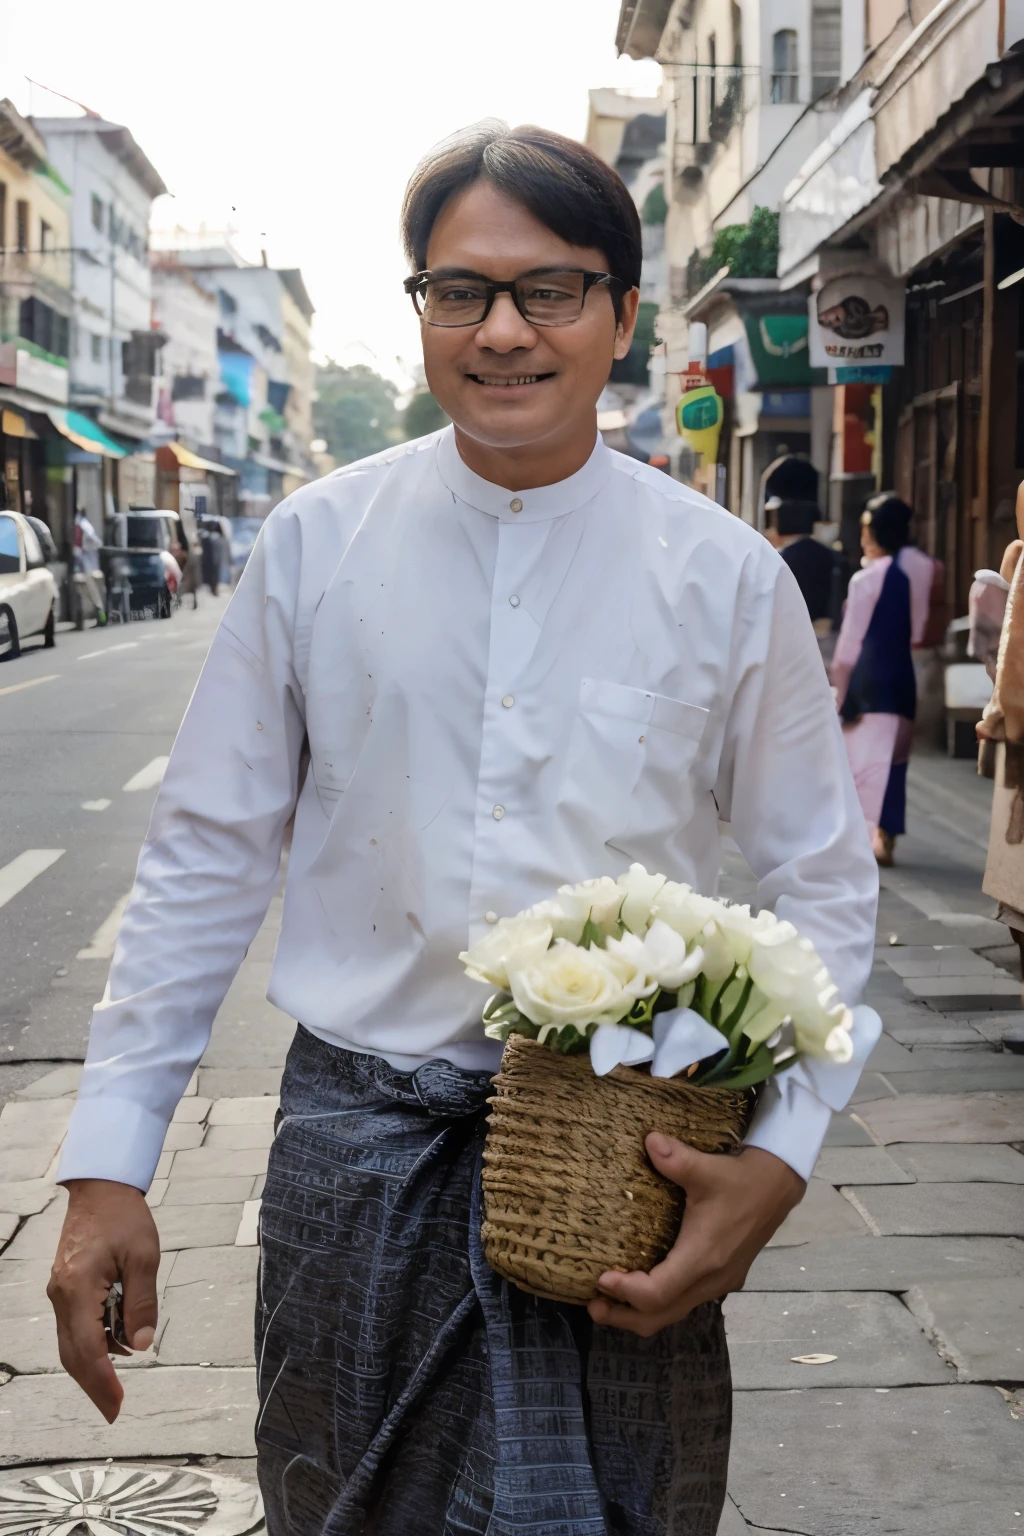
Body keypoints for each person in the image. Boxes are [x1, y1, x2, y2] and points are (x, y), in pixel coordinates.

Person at [48, 123, 879, 1536]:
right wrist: (108, 1161)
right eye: (459, 291)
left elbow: (823, 882)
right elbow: (205, 855)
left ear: (624, 311)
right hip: (354, 1162)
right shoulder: (314, 546)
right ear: (421, 308)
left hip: (621, 1179)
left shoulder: (724, 580)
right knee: (341, 1505)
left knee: (630, 1505)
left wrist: (780, 1158)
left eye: (549, 290)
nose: (502, 330)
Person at [832, 493, 923, 865]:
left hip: (869, 681)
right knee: (896, 762)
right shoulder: (922, 573)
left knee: (867, 764)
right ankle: (887, 834)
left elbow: (849, 645)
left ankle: (872, 839)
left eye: (867, 528)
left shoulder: (866, 579)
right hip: (904, 678)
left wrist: (841, 690)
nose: (862, 535)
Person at [73, 505, 107, 627]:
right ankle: (81, 620)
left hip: (86, 565)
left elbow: (93, 542)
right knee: (83, 592)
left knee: (91, 592)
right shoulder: (81, 525)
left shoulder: (83, 525)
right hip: (82, 565)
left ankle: (100, 615)